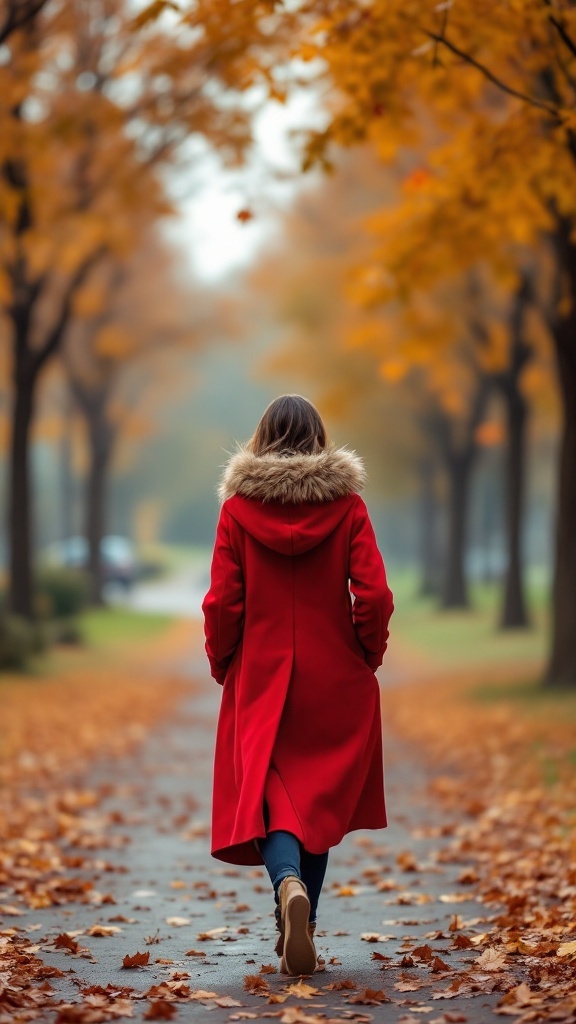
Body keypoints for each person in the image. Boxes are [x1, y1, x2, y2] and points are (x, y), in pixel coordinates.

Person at [202, 394, 394, 977]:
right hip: (333, 672)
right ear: (319, 440)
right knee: (317, 796)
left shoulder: (237, 510)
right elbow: (376, 594)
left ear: (261, 439)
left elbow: (222, 602)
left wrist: (223, 661)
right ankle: (303, 924)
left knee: (269, 793)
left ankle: (287, 887)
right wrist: (367, 652)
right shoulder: (348, 507)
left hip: (261, 674)